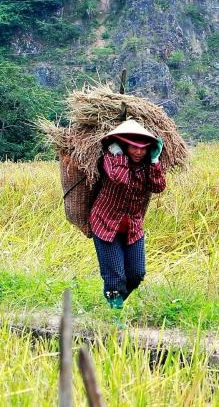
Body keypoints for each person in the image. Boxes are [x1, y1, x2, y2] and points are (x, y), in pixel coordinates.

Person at [89, 119, 167, 313]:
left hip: (133, 227)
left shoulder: (147, 165)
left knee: (137, 273)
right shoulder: (110, 158)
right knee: (115, 276)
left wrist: (155, 161)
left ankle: (113, 304)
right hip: (106, 224)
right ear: (123, 145)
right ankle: (115, 315)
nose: (139, 152)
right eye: (134, 147)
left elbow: (158, 187)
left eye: (143, 148)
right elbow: (119, 179)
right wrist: (118, 154)